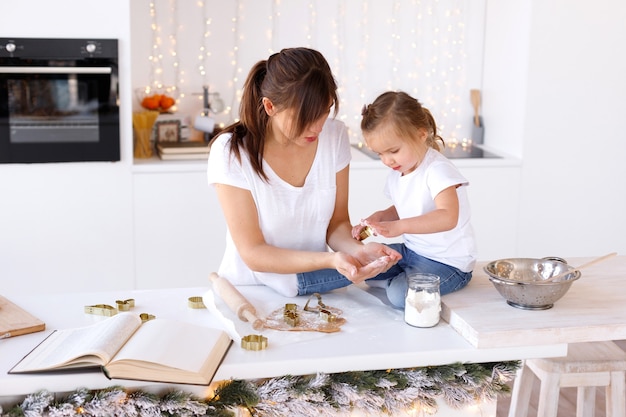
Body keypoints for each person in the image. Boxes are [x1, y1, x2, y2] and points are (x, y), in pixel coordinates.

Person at [207, 47, 401, 297]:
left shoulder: (334, 136)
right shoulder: (232, 152)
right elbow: (253, 253)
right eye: (306, 116)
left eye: (325, 111)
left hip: (312, 290)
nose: (318, 126)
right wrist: (331, 261)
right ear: (269, 106)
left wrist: (357, 251)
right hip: (249, 293)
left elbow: (337, 223)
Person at [353, 91, 477, 308]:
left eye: (393, 150)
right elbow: (403, 207)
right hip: (413, 252)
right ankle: (398, 278)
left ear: (421, 134)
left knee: (399, 296)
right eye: (379, 154)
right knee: (366, 265)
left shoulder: (438, 170)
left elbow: (448, 217)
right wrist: (380, 217)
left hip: (447, 263)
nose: (387, 160)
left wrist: (400, 226)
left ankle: (398, 283)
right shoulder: (399, 170)